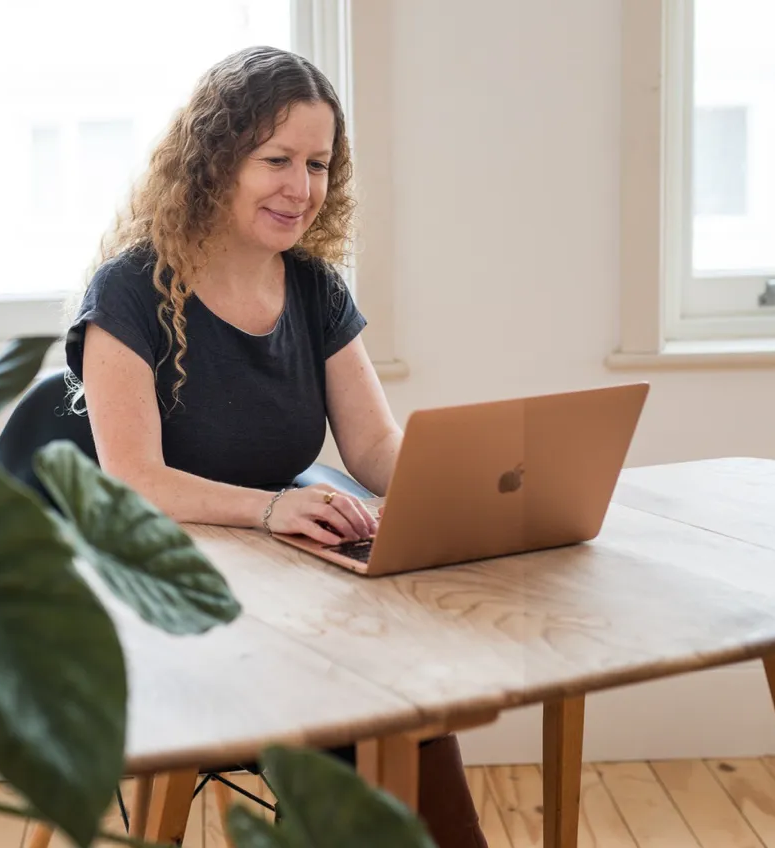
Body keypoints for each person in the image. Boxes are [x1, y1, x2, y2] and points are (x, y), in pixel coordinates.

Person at [64, 45, 488, 848]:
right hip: (162, 582)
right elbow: (133, 481)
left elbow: (372, 446)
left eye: (319, 164)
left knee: (404, 689)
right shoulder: (128, 291)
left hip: (277, 571)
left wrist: (470, 483)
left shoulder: (315, 288)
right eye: (277, 159)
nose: (302, 188)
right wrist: (272, 509)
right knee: (373, 697)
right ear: (216, 160)